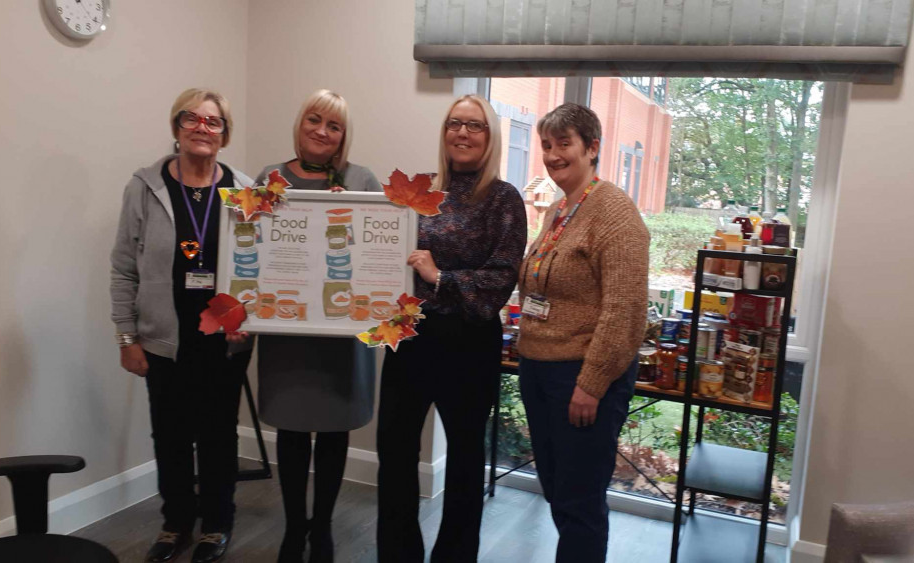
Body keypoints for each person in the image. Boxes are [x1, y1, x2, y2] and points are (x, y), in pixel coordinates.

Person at [376, 95, 527, 562]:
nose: (462, 133)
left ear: (490, 136)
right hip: (412, 338)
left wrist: (439, 277)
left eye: (475, 126)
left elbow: (502, 280)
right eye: (454, 124)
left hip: (468, 344)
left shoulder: (503, 199)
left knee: (464, 462)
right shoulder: (417, 195)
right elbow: (382, 249)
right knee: (395, 457)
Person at [110, 88, 254, 563]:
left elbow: (265, 267)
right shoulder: (145, 186)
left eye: (213, 122)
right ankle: (174, 525)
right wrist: (128, 337)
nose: (201, 128)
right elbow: (124, 267)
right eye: (191, 118)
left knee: (217, 436)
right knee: (169, 436)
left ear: (224, 134)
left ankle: (216, 525)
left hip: (223, 339)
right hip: (162, 338)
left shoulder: (246, 191)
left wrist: (253, 316)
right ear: (176, 127)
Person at [516, 103, 650, 563]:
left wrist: (591, 385)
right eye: (547, 145)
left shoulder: (614, 211)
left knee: (579, 502)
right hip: (540, 370)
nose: (553, 155)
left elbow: (626, 308)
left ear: (592, 148)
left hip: (582, 377)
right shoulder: (559, 209)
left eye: (564, 144)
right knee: (557, 489)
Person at [254, 89, 382, 563]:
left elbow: (376, 251)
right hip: (287, 331)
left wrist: (346, 213)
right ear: (300, 123)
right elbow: (252, 249)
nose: (322, 132)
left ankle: (322, 528)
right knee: (290, 428)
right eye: (314, 120)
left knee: (333, 430)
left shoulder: (361, 178)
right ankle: (294, 528)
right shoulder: (270, 178)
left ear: (343, 136)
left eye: (334, 126)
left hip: (341, 335)